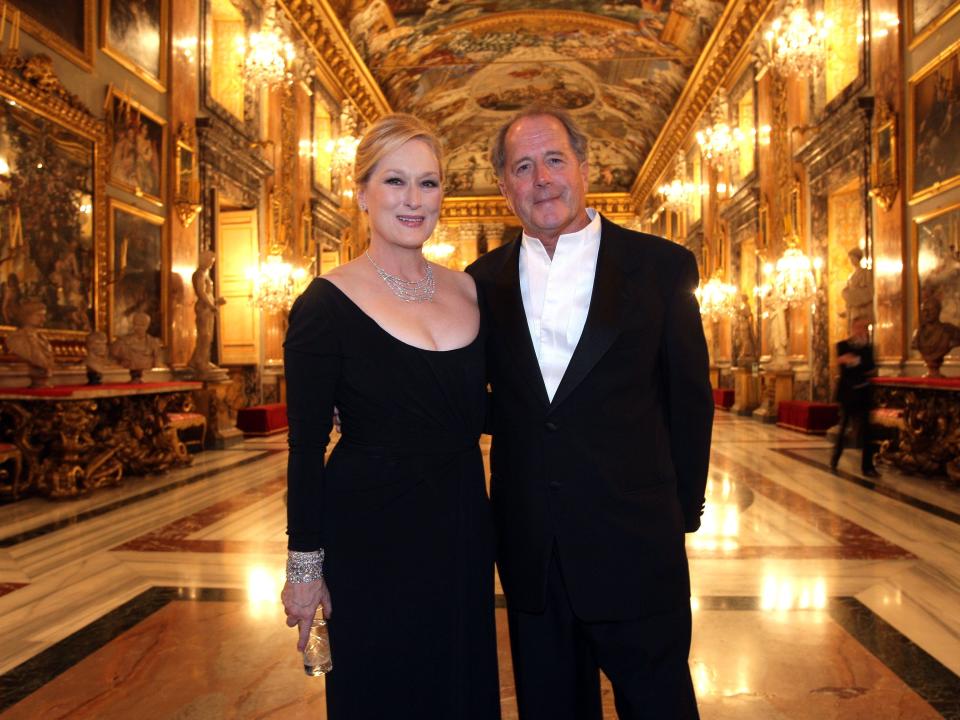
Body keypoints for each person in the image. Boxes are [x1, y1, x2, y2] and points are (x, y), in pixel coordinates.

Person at [466, 105, 713, 720]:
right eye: (523, 167)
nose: (542, 179)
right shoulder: (479, 283)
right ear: (504, 187)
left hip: (637, 544)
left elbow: (689, 399)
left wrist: (677, 513)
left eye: (554, 160)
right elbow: (476, 400)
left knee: (659, 705)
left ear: (585, 166)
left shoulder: (661, 268)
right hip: (532, 552)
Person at [280, 114, 500, 719]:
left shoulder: (473, 291)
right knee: (380, 691)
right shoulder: (325, 304)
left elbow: (497, 410)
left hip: (460, 524)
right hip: (368, 533)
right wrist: (305, 566)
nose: (413, 200)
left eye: (428, 184)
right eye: (395, 181)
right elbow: (305, 448)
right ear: (362, 193)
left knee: (460, 680)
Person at [830, 316, 879, 477]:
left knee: (867, 430)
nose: (862, 331)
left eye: (865, 328)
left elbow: (871, 368)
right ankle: (835, 458)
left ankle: (868, 467)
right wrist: (857, 362)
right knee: (844, 427)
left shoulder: (868, 348)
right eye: (859, 327)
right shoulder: (842, 345)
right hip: (848, 393)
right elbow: (843, 363)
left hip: (864, 392)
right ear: (853, 328)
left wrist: (854, 361)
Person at [187, 250, 226, 378]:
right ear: (204, 260)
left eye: (213, 261)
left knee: (208, 337)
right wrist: (211, 305)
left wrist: (216, 302)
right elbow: (201, 292)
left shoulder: (205, 274)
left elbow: (208, 295)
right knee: (204, 335)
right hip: (203, 308)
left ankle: (200, 360)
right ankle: (199, 362)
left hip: (208, 308)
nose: (211, 263)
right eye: (210, 261)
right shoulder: (199, 274)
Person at [7, 300, 56, 387]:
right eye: (39, 315)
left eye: (44, 316)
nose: (43, 319)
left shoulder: (42, 338)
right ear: (26, 316)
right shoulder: (15, 338)